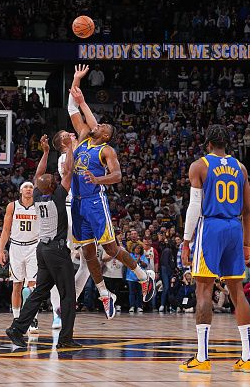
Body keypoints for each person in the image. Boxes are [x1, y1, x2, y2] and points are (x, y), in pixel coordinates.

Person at [68, 68, 155, 320]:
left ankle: (142, 276)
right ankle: (105, 294)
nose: (99, 124)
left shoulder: (106, 150)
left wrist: (98, 179)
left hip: (95, 202)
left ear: (106, 135)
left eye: (103, 125)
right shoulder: (83, 139)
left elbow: (117, 176)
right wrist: (77, 86)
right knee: (87, 253)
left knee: (111, 248)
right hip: (77, 202)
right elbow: (74, 109)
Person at [179, 124, 250, 374]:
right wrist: (246, 243)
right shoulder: (241, 168)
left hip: (211, 227)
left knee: (204, 290)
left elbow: (194, 206)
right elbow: (248, 211)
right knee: (237, 291)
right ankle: (247, 356)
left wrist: (186, 240)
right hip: (234, 228)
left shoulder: (199, 166)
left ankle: (202, 356)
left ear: (208, 144)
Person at [6, 134, 80, 348]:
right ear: (53, 186)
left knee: (39, 293)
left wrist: (46, 152)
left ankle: (16, 328)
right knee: (68, 295)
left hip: (42, 250)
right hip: (56, 251)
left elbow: (39, 174)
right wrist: (68, 149)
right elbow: (68, 171)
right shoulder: (58, 198)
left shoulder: (38, 196)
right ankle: (66, 339)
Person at [48, 129, 89, 329]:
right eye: (67, 134)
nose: (73, 133)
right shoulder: (66, 156)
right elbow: (68, 171)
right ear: (63, 141)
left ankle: (66, 304)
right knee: (61, 263)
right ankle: (57, 309)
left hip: (83, 210)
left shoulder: (79, 152)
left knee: (90, 263)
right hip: (68, 211)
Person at [0, 181, 39, 331]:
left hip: (34, 246)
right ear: (21, 191)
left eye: (31, 187)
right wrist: (0, 250)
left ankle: (33, 318)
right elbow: (6, 230)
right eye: (26, 187)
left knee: (32, 285)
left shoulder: (39, 205)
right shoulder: (13, 206)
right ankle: (17, 318)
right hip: (16, 247)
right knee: (17, 285)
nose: (29, 189)